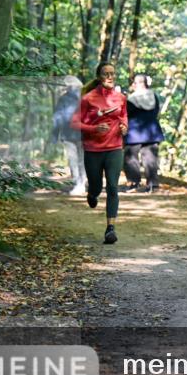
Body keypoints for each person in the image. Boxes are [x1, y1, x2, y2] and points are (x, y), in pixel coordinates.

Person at [73, 62, 128, 244]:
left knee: (113, 186)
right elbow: (74, 123)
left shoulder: (121, 98)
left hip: (114, 147)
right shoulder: (87, 98)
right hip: (93, 150)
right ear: (99, 77)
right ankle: (92, 194)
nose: (110, 77)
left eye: (113, 74)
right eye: (106, 74)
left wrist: (124, 126)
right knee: (96, 186)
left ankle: (110, 229)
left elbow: (124, 116)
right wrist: (94, 128)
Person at [123, 73, 165, 193]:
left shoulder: (132, 99)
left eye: (135, 83)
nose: (133, 85)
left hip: (134, 132)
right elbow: (156, 111)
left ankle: (133, 183)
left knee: (130, 158)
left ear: (140, 84)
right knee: (151, 158)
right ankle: (153, 185)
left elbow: (127, 114)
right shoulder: (154, 96)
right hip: (152, 131)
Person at [51, 77, 86, 195]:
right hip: (85, 133)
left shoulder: (63, 99)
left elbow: (57, 118)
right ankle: (82, 183)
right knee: (83, 159)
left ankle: (78, 183)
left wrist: (54, 136)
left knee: (73, 159)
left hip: (68, 133)